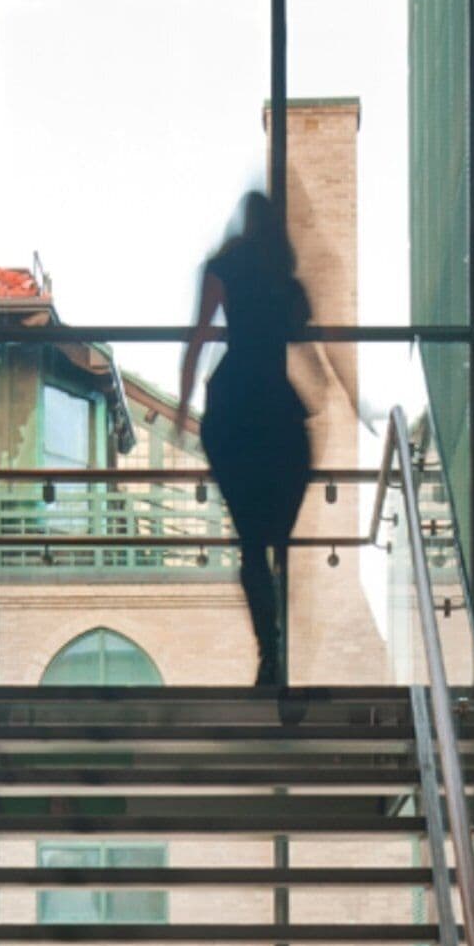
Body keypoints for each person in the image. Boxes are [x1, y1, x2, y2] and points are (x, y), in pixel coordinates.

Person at [179, 187, 319, 697]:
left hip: (234, 409)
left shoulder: (225, 265)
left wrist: (181, 404)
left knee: (251, 545)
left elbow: (197, 337)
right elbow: (306, 340)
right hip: (279, 413)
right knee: (275, 541)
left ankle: (270, 650)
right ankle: (276, 647)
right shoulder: (286, 279)